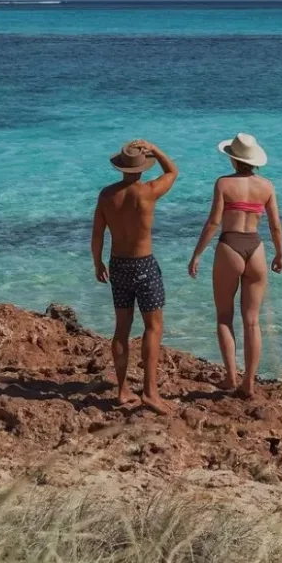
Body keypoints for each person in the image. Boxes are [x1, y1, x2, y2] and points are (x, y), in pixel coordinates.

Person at [188, 133, 282, 398]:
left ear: (233, 158)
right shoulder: (267, 186)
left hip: (230, 246)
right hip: (256, 249)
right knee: (252, 322)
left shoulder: (223, 184)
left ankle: (231, 377)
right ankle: (249, 383)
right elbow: (275, 225)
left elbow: (213, 223)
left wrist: (197, 254)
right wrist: (280, 254)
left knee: (224, 317)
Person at [91, 139, 178, 414]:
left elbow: (97, 234)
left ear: (120, 167)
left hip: (118, 265)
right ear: (142, 168)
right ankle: (150, 392)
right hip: (144, 265)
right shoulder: (149, 191)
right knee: (153, 327)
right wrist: (157, 149)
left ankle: (122, 390)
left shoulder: (106, 196)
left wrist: (98, 263)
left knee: (122, 328)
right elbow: (173, 172)